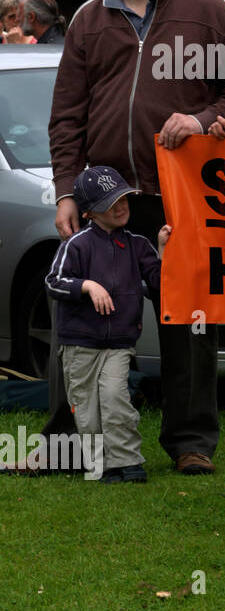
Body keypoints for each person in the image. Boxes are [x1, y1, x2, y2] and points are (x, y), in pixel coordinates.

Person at [48, 0, 225, 476]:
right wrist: (68, 189)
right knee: (88, 324)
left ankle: (192, 442)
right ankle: (72, 439)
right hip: (106, 202)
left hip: (182, 195)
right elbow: (67, 113)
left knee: (189, 321)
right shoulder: (88, 19)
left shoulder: (206, 8)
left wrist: (200, 121)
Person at [46, 167, 171, 483]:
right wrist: (88, 286)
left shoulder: (138, 245)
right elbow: (54, 282)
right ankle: (101, 465)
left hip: (119, 343)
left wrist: (164, 250)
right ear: (89, 212)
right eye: (110, 202)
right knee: (87, 409)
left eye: (123, 198)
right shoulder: (76, 245)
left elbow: (160, 285)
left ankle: (127, 461)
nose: (121, 206)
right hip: (79, 345)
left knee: (116, 399)